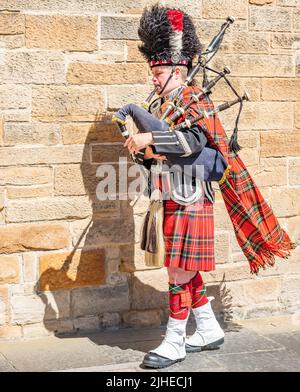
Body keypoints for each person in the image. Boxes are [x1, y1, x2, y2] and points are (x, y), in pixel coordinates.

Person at [123, 4, 294, 369]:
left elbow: (193, 144)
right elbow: (164, 153)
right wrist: (144, 150)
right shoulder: (164, 101)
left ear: (178, 68)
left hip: (191, 196)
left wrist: (152, 137)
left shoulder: (192, 98)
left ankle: (174, 342)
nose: (153, 77)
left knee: (176, 270)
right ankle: (208, 329)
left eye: (159, 71)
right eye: (153, 71)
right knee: (184, 266)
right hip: (172, 192)